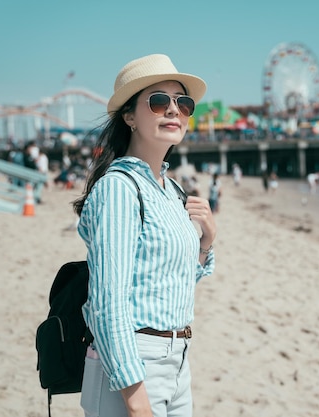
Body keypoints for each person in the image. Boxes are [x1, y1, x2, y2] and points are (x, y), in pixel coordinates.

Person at [72, 54, 216, 417]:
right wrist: (136, 403)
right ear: (130, 116)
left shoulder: (172, 190)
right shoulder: (119, 189)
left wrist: (206, 242)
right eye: (158, 101)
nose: (173, 111)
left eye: (183, 103)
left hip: (178, 360)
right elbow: (107, 304)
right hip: (134, 364)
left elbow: (169, 283)